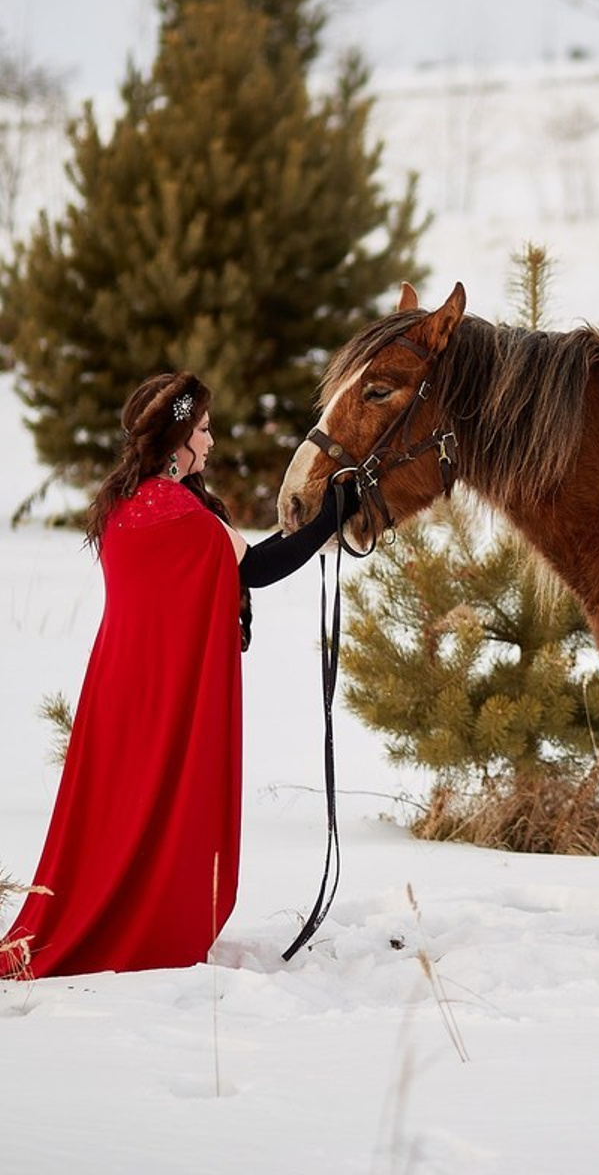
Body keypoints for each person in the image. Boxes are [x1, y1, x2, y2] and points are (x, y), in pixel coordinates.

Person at [0, 372, 356, 980]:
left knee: (114, 821)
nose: (212, 443)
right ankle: (134, 931)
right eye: (204, 430)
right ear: (177, 441)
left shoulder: (128, 504)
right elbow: (261, 568)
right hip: (156, 698)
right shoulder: (174, 515)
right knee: (148, 816)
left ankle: (97, 922)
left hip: (120, 693)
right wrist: (335, 514)